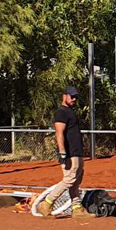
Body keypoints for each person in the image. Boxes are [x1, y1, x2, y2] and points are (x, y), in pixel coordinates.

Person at [36, 86, 92, 219]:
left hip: (76, 152)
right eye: (72, 96)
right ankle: (47, 203)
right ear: (64, 96)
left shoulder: (70, 112)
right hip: (69, 153)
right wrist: (62, 152)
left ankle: (77, 209)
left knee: (75, 181)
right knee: (69, 180)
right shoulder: (61, 112)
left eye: (76, 97)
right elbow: (59, 133)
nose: (74, 99)